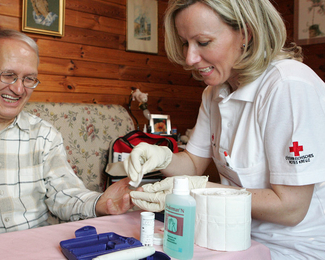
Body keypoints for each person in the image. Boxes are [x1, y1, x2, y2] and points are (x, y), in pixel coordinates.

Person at [124, 0, 325, 259]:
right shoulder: (215, 92)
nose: (190, 58)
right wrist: (162, 156)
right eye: (185, 43)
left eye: (203, 42)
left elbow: (291, 209)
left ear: (246, 33)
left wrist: (199, 190)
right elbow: (194, 164)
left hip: (295, 248)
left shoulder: (288, 85)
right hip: (231, 238)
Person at [0, 29, 133, 246]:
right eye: (8, 75)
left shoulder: (45, 135)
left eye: (29, 79)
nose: (18, 89)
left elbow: (64, 193)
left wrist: (97, 202)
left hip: (35, 250)